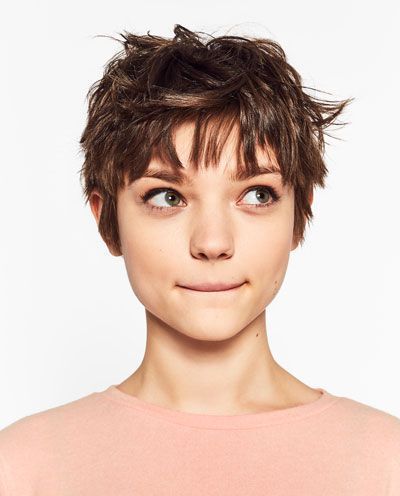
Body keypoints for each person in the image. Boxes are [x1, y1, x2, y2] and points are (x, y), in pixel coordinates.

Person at [0, 24, 399, 495]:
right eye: (167, 197)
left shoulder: (386, 463)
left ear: (299, 213)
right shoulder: (22, 467)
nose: (212, 242)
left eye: (256, 193)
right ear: (107, 219)